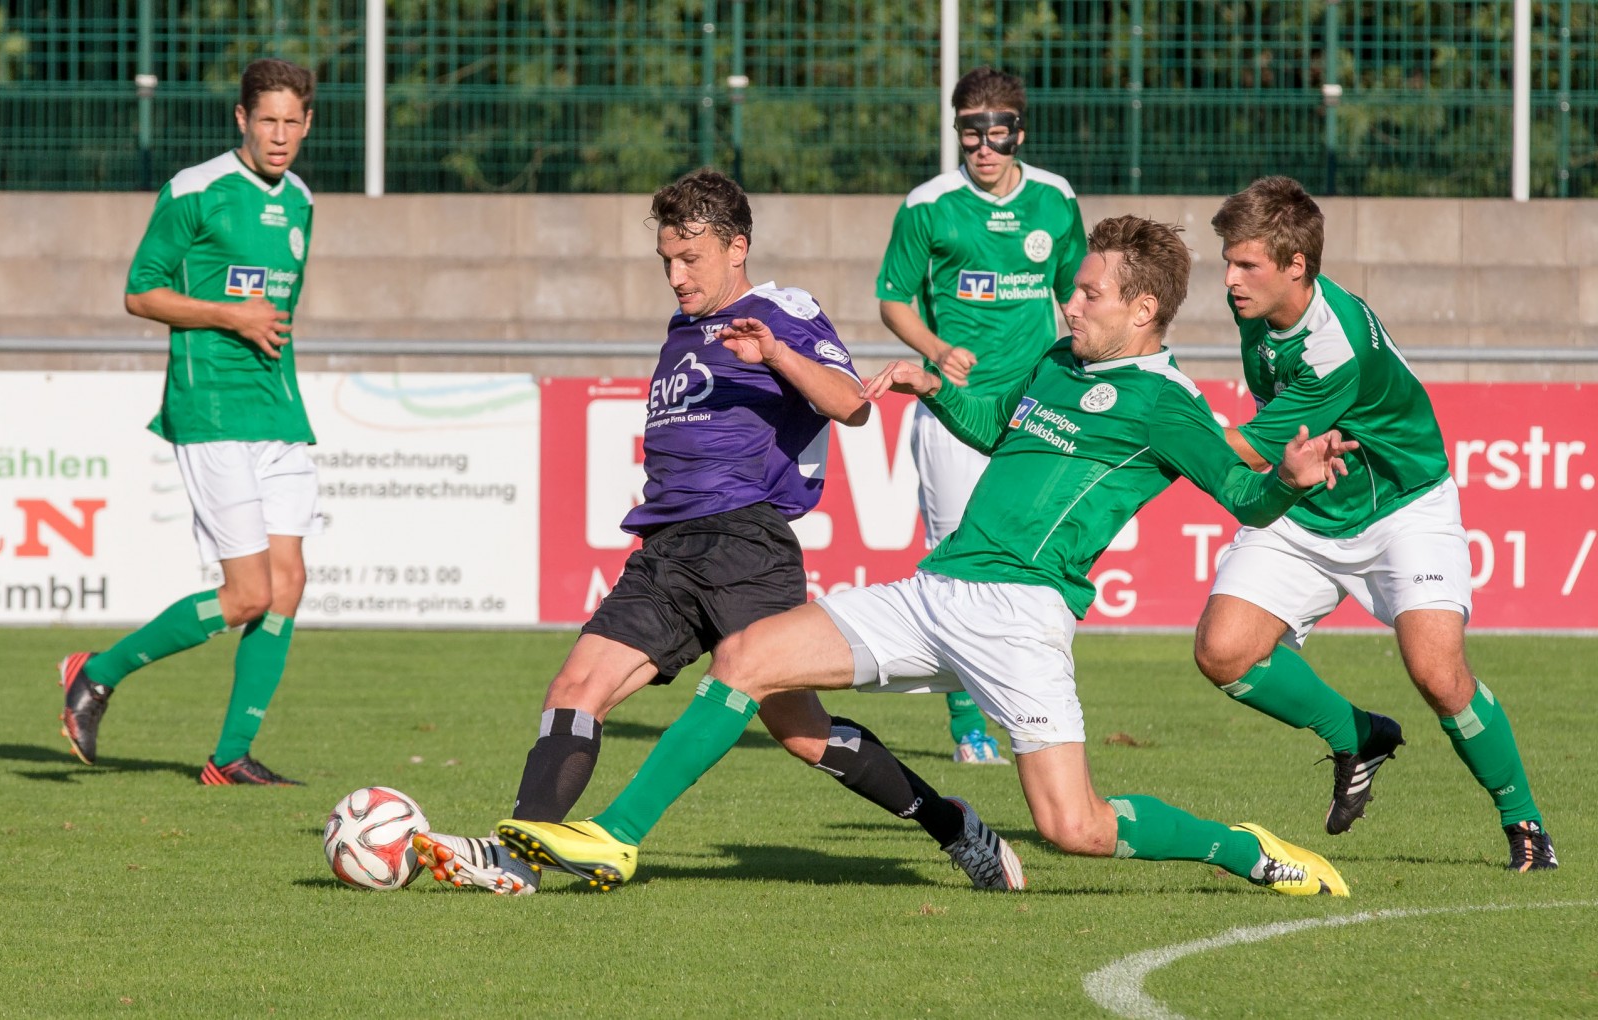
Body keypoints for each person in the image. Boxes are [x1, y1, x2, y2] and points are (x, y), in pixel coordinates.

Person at [495, 215, 1359, 898]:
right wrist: (934, 388)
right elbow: (999, 428)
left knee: (1077, 827)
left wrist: (1286, 479)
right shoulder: (1060, 362)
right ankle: (617, 835)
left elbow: (1244, 498)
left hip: (1021, 616)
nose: (1070, 303)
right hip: (936, 587)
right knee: (747, 656)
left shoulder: (1170, 407)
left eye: (1089, 293)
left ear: (1142, 309)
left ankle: (1244, 851)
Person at [410, 168, 1024, 895]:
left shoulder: (782, 309)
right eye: (667, 260)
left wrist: (776, 354)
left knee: (801, 733)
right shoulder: (683, 330)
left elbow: (852, 406)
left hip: (745, 545)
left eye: (690, 258)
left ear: (738, 248)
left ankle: (953, 826)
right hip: (665, 550)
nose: (675, 275)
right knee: (574, 687)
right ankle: (517, 859)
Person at [1192, 176, 1557, 872]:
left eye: (1246, 265)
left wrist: (1146, 430)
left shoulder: (1335, 345)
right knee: (1223, 651)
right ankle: (1357, 735)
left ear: (1296, 264)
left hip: (1401, 506)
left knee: (1438, 673)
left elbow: (1239, 449)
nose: (1231, 280)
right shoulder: (1258, 309)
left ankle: (1525, 823)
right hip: (1309, 498)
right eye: (1227, 263)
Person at [57, 58, 319, 787]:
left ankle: (230, 756)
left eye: (291, 120)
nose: (279, 134)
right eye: (266, 119)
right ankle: (96, 671)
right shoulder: (195, 190)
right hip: (210, 409)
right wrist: (229, 315)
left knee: (289, 582)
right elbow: (140, 293)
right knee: (247, 595)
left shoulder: (300, 199)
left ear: (307, 123)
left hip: (279, 409)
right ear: (241, 119)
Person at [878, 66, 1088, 765]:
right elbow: (894, 300)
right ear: (958, 130)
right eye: (971, 131)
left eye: (997, 132)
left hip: (1035, 414)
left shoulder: (1056, 200)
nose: (984, 146)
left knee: (1031, 557)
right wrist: (938, 349)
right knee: (954, 563)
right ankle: (969, 729)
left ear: (1018, 132)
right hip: (952, 412)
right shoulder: (929, 206)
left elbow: (1079, 296)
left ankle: (1035, 704)